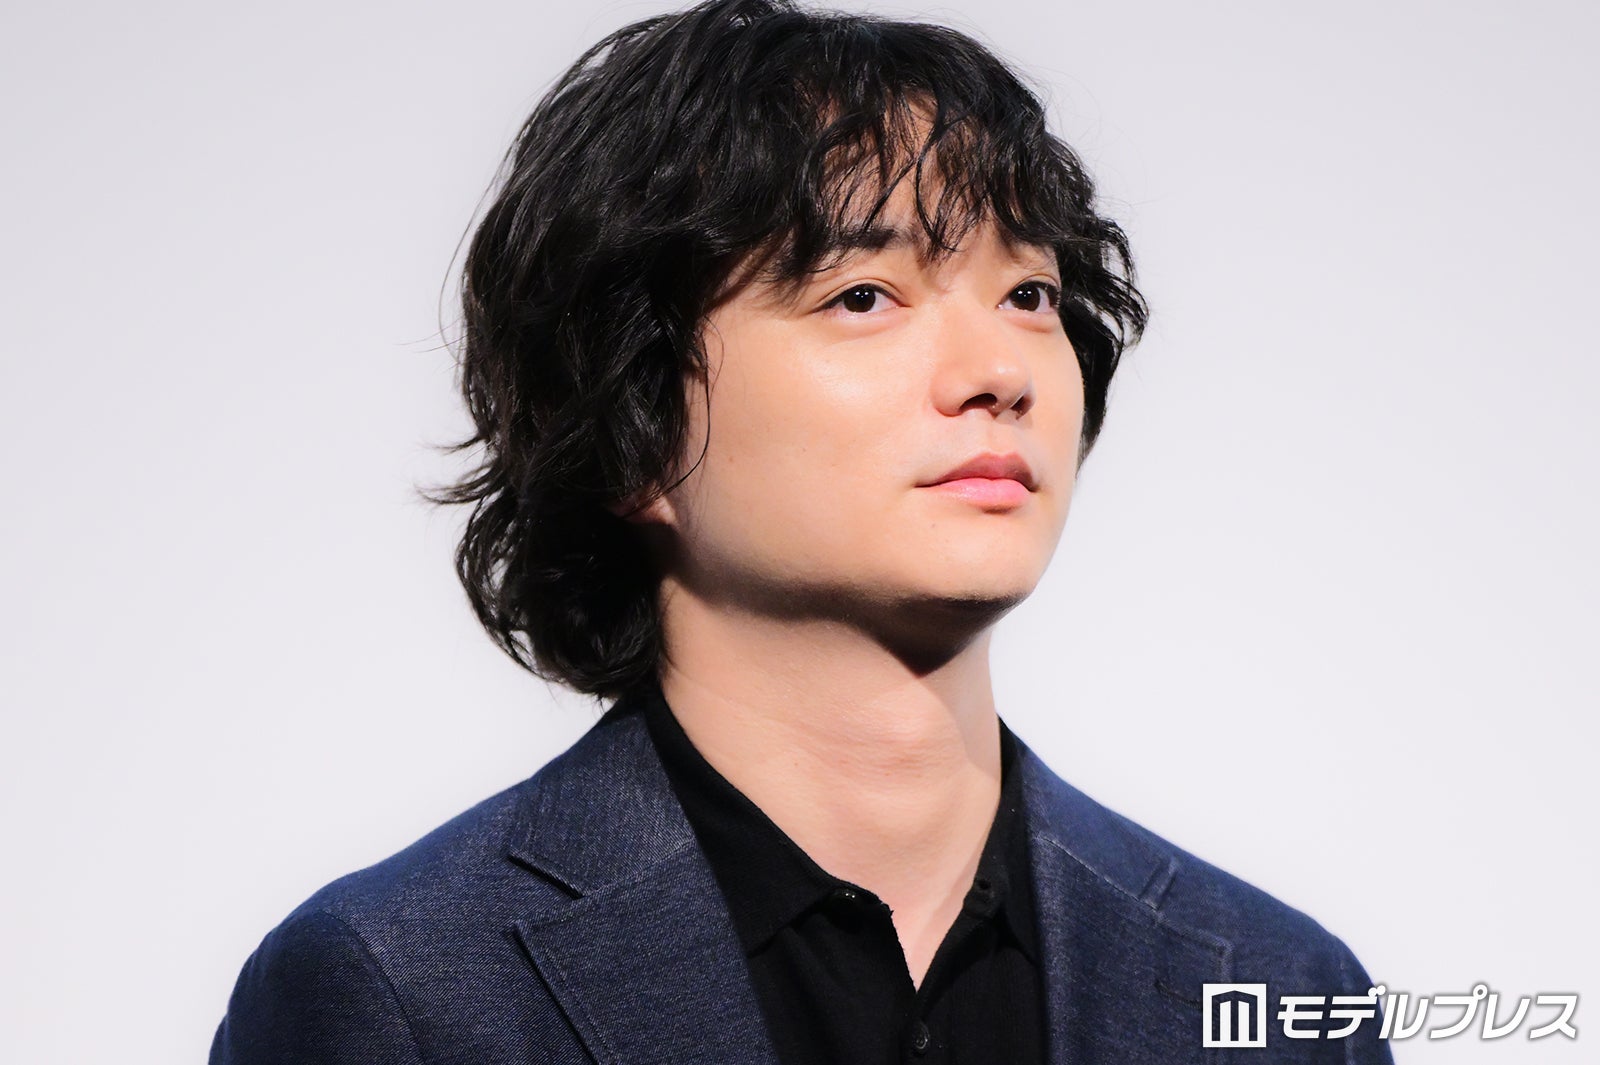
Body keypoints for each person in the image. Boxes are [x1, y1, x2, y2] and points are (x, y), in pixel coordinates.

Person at [210, 0, 1392, 1061]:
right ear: (632, 426)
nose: (999, 371)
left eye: (1028, 294)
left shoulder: (1277, 986)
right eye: (862, 296)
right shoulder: (403, 990)